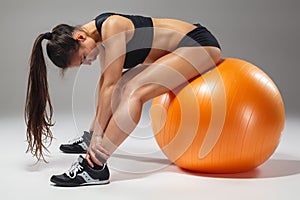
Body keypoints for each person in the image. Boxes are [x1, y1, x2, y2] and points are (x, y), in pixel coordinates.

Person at [25, 12, 222, 186]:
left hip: (198, 45)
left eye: (83, 57)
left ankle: (96, 166)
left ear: (80, 37)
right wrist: (92, 134)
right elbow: (106, 84)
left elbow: (109, 87)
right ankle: (88, 145)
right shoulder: (99, 37)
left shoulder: (112, 27)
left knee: (134, 90)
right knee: (121, 86)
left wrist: (99, 137)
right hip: (179, 51)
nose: (87, 62)